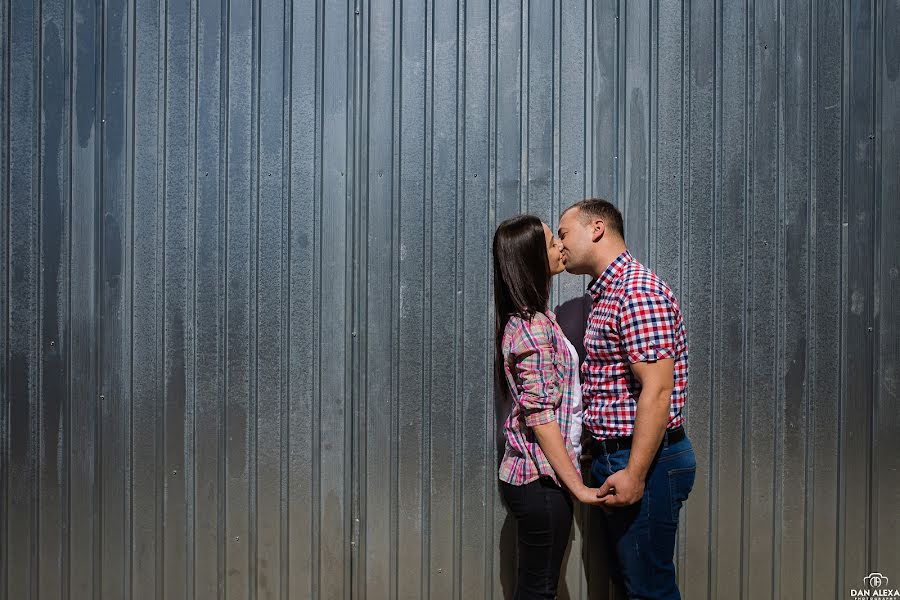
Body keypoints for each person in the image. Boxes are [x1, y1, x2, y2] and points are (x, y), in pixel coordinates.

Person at [558, 198, 696, 600]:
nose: (560, 245)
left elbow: (657, 390)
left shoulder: (636, 290)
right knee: (631, 585)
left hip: (644, 463)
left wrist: (635, 473)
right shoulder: (606, 293)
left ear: (596, 228)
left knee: (649, 591)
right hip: (618, 458)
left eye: (564, 234)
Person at [493, 214, 604, 599]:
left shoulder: (539, 320)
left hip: (537, 480)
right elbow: (540, 418)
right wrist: (581, 489)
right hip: (539, 481)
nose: (560, 245)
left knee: (537, 586)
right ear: (531, 258)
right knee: (538, 590)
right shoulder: (532, 327)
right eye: (550, 241)